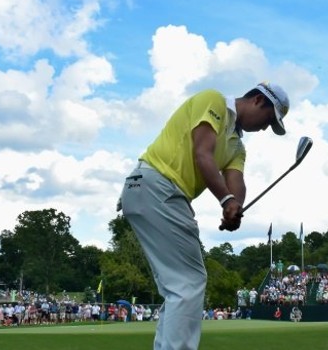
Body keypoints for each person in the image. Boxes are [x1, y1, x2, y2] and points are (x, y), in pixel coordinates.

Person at [120, 82, 290, 350]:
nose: (266, 128)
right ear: (258, 100)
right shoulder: (214, 101)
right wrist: (226, 200)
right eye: (269, 120)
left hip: (152, 191)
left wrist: (235, 207)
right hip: (159, 186)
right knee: (188, 282)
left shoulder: (237, 146)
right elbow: (202, 153)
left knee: (179, 285)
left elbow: (236, 181)